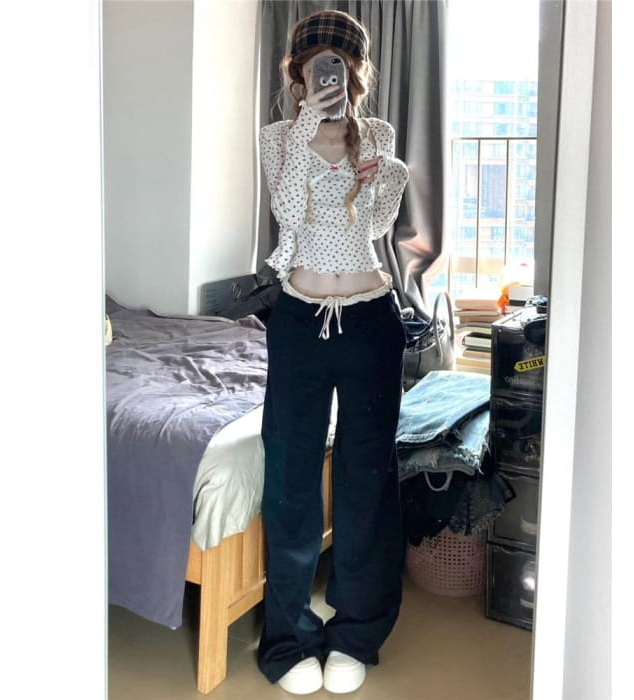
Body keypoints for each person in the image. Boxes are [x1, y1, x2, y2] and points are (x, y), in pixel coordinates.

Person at [257, 9, 410, 695]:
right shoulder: (277, 137)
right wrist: (305, 132)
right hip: (299, 317)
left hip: (371, 317)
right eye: (315, 65)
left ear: (356, 74)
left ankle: (356, 633)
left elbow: (375, 226)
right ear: (296, 74)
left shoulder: (377, 134)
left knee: (365, 476)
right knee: (290, 474)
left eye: (338, 67)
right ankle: (289, 638)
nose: (327, 77)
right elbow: (289, 215)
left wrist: (383, 173)